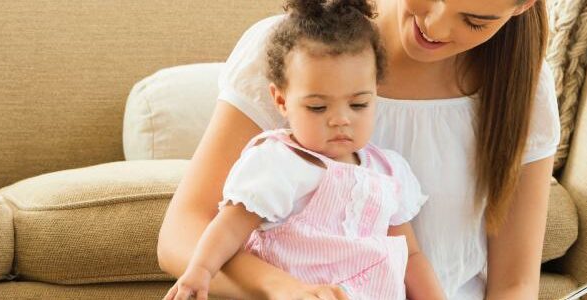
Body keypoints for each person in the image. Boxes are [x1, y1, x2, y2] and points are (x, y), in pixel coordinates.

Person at [157, 0, 559, 298]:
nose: (435, 25)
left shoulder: (522, 83)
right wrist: (285, 289)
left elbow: (515, 282)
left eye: (474, 20)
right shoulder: (299, 50)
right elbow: (181, 234)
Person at [163, 1, 443, 299]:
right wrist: (201, 271)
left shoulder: (389, 170)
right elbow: (230, 226)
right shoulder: (278, 162)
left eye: (359, 104)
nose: (340, 120)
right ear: (281, 101)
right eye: (318, 107)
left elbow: (410, 257)